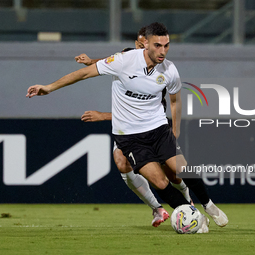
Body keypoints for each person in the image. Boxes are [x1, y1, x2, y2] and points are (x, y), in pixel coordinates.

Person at [26, 22, 228, 231]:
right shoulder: (124, 61)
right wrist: (48, 87)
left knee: (182, 170)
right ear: (145, 45)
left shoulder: (169, 69)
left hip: (158, 129)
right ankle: (191, 216)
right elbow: (84, 73)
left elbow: (175, 100)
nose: (163, 51)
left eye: (166, 46)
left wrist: (175, 129)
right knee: (159, 182)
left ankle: (209, 205)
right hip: (130, 137)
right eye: (158, 45)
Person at [74, 27, 193, 228]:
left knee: (172, 174)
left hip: (153, 127)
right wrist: (92, 61)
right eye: (137, 44)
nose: (138, 48)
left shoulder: (161, 70)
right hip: (129, 131)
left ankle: (188, 203)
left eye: (141, 44)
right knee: (122, 162)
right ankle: (157, 208)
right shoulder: (129, 59)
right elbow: (112, 61)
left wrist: (103, 116)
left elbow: (162, 105)